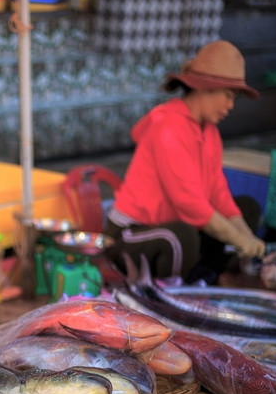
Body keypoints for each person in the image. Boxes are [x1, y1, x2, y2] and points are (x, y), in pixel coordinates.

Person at [104, 40, 266, 283]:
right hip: (131, 234)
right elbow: (189, 203)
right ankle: (169, 292)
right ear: (205, 88)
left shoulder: (209, 132)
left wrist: (246, 235)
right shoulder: (167, 127)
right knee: (180, 237)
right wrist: (238, 239)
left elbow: (218, 192)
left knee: (247, 207)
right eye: (228, 96)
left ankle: (207, 276)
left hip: (177, 225)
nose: (230, 106)